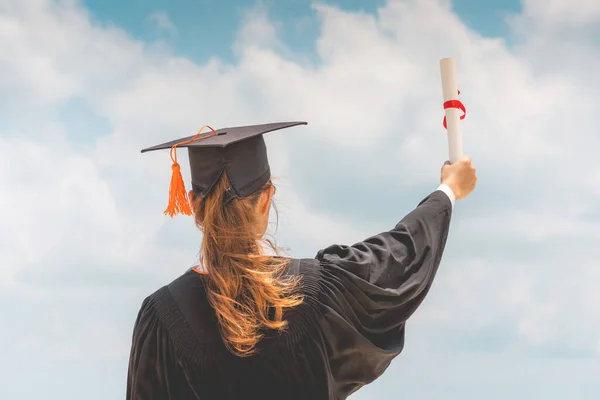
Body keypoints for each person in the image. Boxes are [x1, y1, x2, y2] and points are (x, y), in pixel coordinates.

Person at [127, 121, 477, 400]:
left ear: (193, 203)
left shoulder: (162, 315)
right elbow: (397, 255)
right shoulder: (313, 290)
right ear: (266, 199)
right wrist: (447, 192)